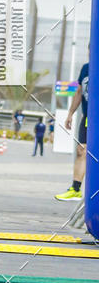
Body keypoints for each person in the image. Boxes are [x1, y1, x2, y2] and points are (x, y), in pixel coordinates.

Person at [56, 55, 89, 200]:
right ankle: (75, 188)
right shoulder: (86, 68)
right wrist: (70, 113)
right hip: (88, 118)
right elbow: (79, 92)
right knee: (81, 151)